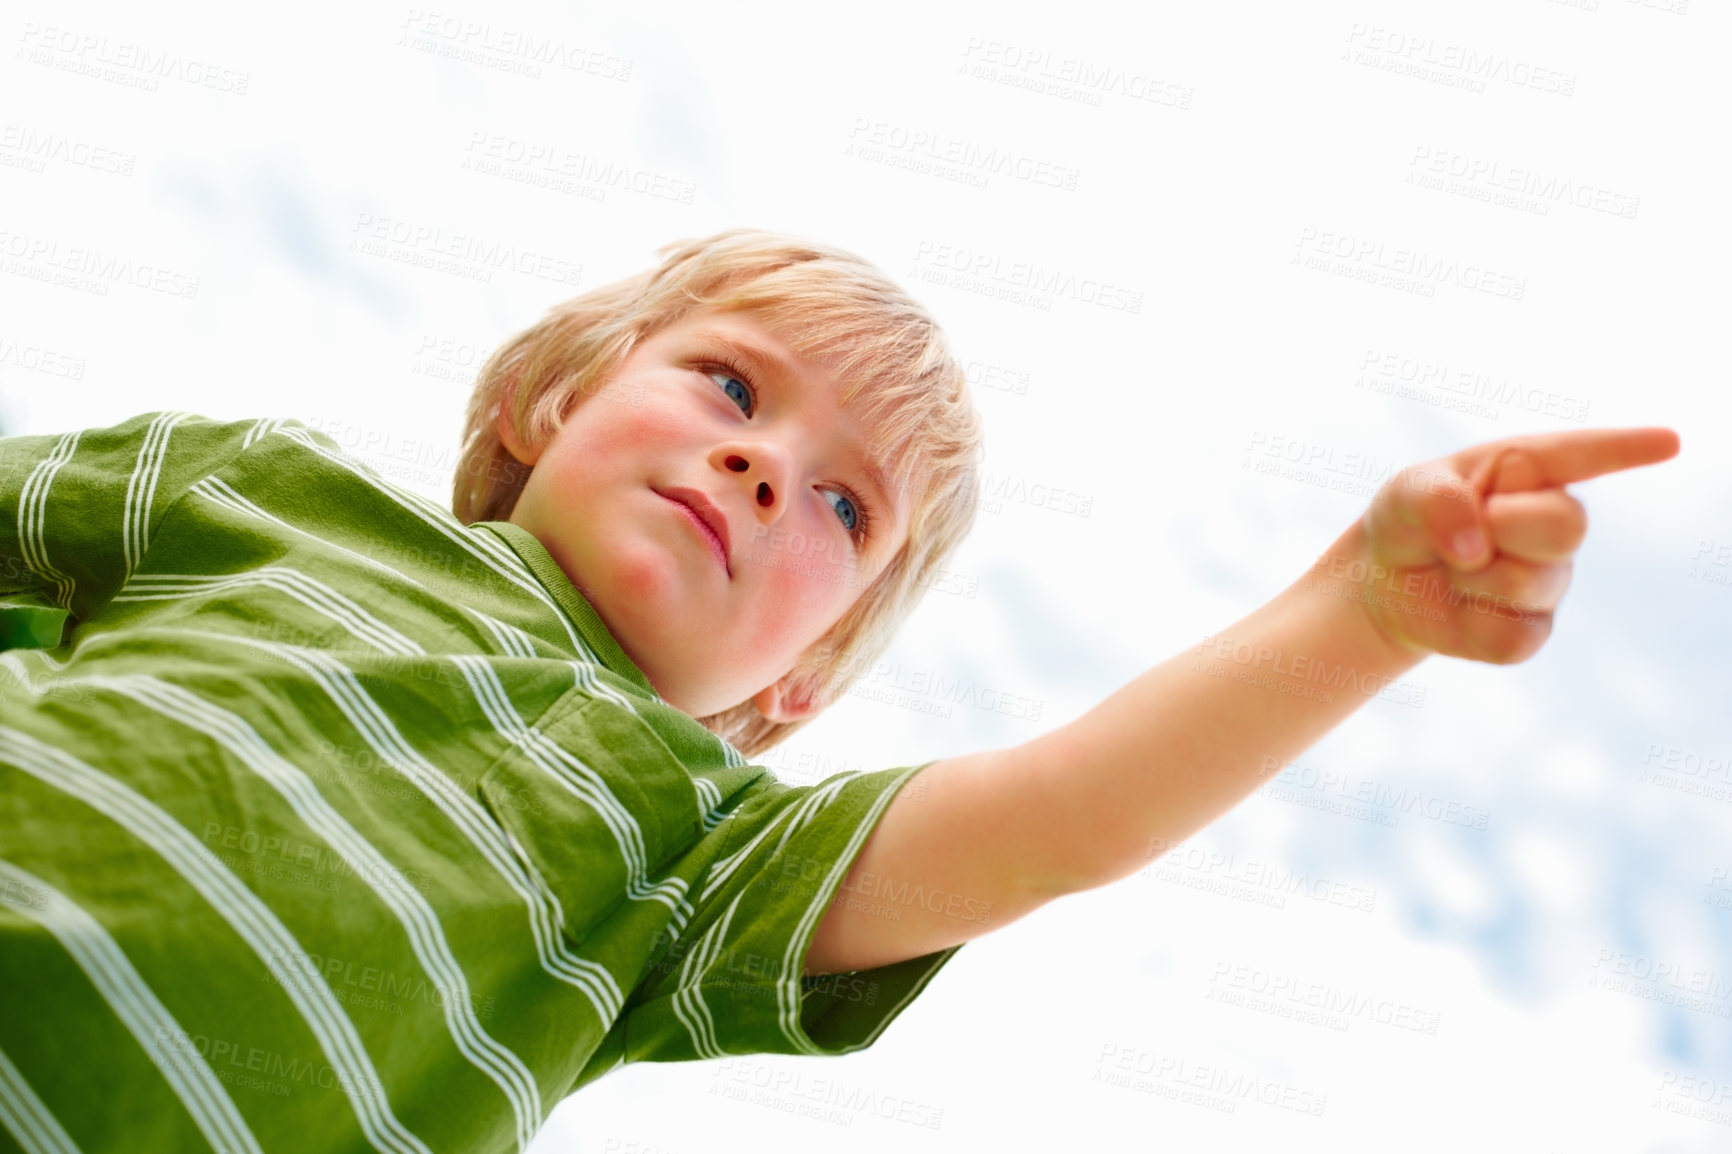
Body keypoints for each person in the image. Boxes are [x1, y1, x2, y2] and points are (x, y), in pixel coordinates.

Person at [0, 229, 1679, 1153]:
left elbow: (1052, 823)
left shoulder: (691, 850)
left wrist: (1359, 613)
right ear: (553, 398)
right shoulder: (269, 492)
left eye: (844, 505)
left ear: (798, 683)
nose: (761, 461)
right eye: (731, 382)